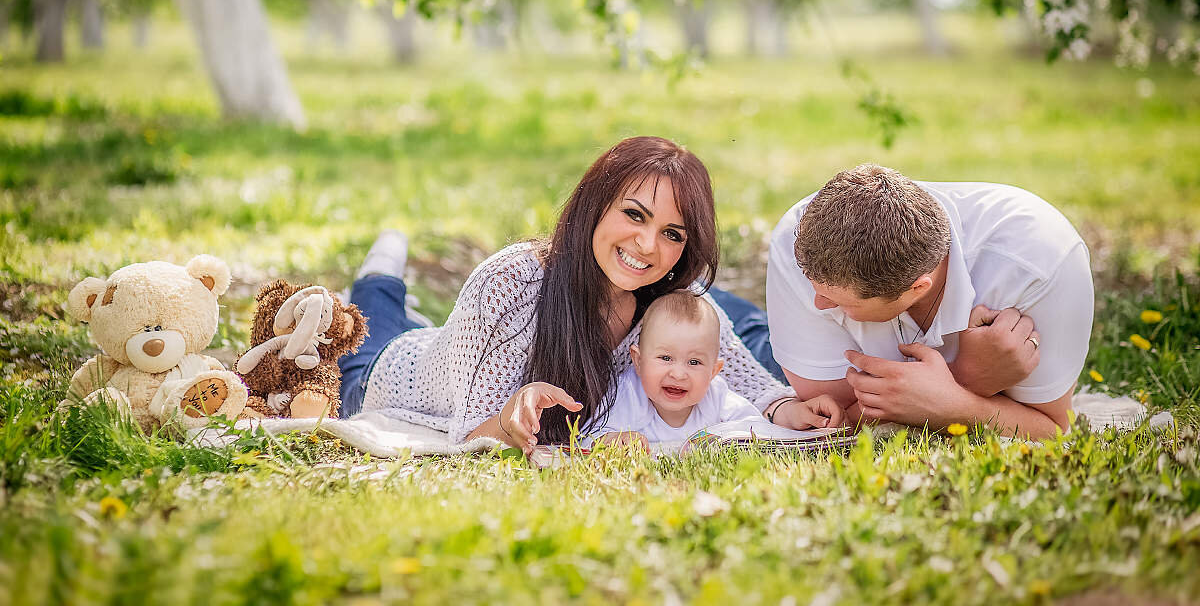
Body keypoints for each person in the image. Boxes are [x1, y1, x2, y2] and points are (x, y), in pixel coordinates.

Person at [338, 136, 801, 452]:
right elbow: (468, 439)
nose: (648, 246)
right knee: (369, 318)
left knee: (409, 322)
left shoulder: (666, 293)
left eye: (673, 234)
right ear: (595, 203)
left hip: (457, 349)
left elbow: (743, 374)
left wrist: (784, 406)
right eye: (635, 215)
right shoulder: (513, 283)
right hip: (391, 377)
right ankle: (382, 267)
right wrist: (509, 420)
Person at [751, 164, 1094, 439]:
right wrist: (967, 382)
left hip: (826, 357)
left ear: (917, 288)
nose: (819, 305)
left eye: (839, 301)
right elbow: (835, 421)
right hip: (776, 354)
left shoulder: (1039, 264)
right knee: (737, 337)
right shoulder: (800, 240)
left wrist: (946, 399)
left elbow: (1051, 429)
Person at [585, 292, 842, 447]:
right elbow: (587, 436)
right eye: (665, 358)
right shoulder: (627, 394)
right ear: (638, 361)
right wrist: (610, 442)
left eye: (694, 362)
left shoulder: (717, 396)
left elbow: (756, 429)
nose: (678, 373)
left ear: (714, 371)